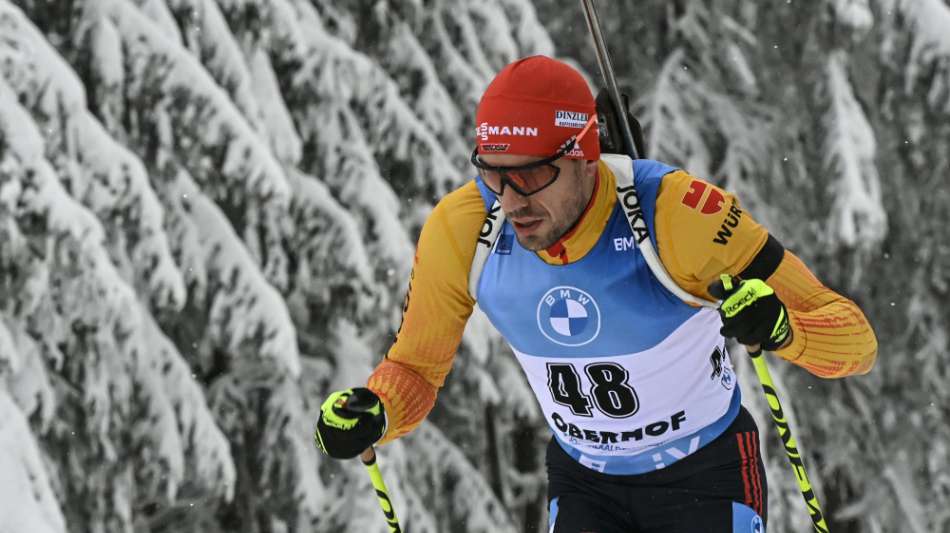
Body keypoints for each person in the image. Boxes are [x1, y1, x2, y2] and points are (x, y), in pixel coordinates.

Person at [314, 55, 877, 532]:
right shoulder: (465, 230)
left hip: (705, 473)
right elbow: (414, 367)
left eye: (530, 176)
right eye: (492, 174)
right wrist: (379, 409)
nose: (510, 202)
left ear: (583, 157)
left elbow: (854, 338)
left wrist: (784, 329)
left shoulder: (676, 216)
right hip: (586, 483)